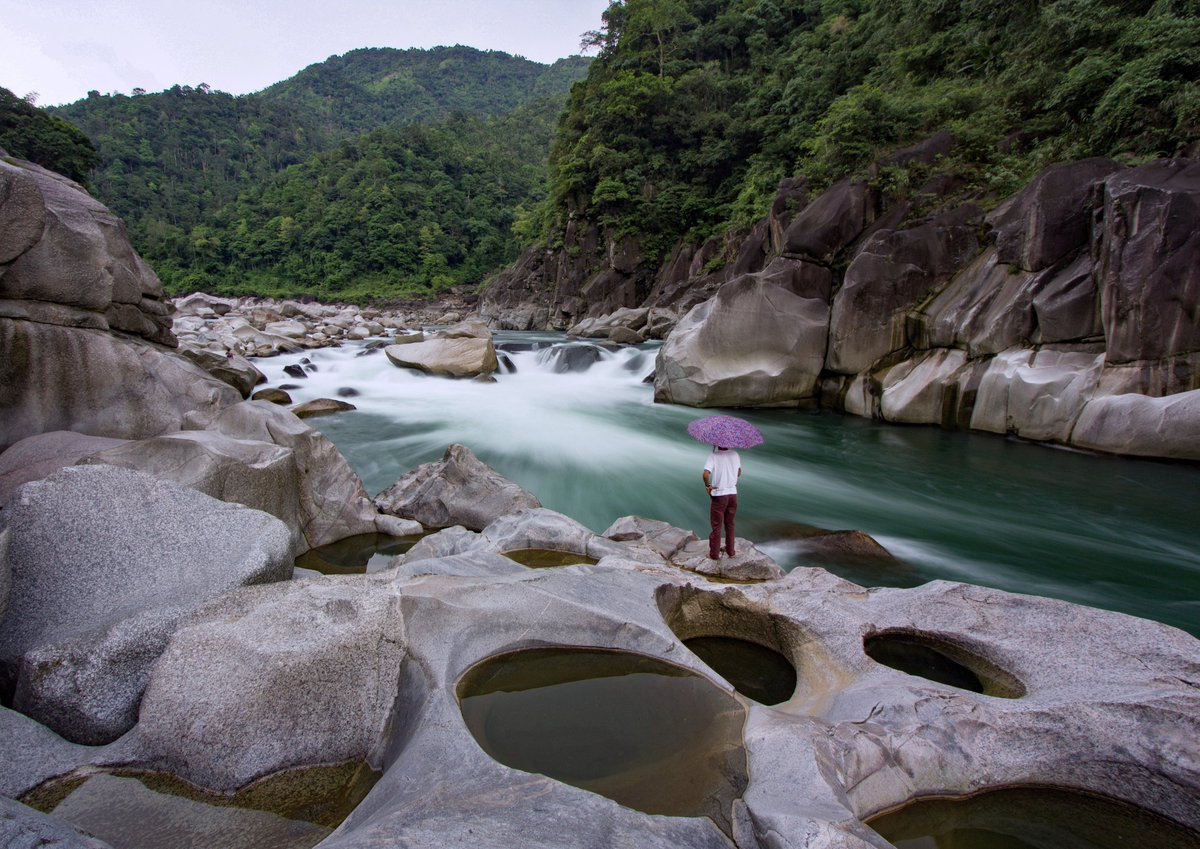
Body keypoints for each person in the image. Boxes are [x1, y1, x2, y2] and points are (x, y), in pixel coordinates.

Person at [703, 445, 741, 559]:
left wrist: (708, 485)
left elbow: (705, 474)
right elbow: (738, 472)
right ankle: (731, 551)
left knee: (716, 526)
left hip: (719, 495)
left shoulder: (713, 456)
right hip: (732, 494)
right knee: (730, 524)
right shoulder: (735, 455)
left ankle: (714, 554)